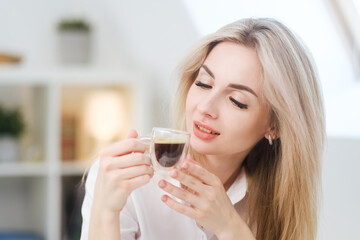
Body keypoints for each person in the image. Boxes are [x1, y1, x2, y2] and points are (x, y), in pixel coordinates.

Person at [80, 18, 325, 240]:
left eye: (237, 101)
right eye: (204, 84)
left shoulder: (273, 203)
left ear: (275, 125)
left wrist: (230, 227)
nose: (205, 107)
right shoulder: (128, 182)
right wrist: (105, 213)